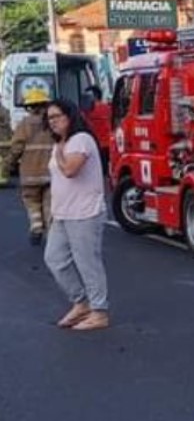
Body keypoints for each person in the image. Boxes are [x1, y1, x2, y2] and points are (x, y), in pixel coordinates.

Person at [43, 97, 110, 331]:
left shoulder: (81, 140)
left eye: (56, 117)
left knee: (87, 262)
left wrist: (60, 151)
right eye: (49, 118)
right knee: (55, 259)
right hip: (62, 213)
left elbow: (70, 170)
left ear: (69, 116)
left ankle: (99, 311)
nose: (52, 122)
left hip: (84, 212)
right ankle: (81, 302)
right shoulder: (60, 143)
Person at [5, 89, 56, 245]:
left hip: (29, 174)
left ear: (29, 107)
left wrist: (7, 166)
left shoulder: (24, 124)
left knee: (32, 201)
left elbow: (16, 149)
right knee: (49, 203)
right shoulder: (52, 123)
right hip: (50, 173)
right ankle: (51, 233)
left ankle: (36, 226)